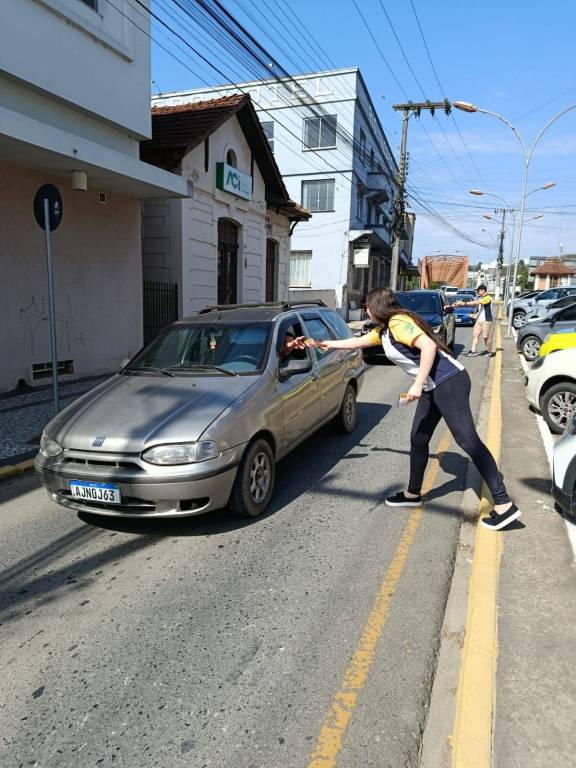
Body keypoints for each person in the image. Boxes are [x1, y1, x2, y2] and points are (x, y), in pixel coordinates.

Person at [311, 287, 521, 531]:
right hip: (433, 387)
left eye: (367, 306)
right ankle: (413, 494)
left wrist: (418, 384)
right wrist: (325, 344)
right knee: (418, 439)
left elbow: (428, 346)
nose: (365, 310)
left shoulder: (398, 322)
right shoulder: (384, 330)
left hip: (449, 382)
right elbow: (357, 342)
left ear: (377, 306)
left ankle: (504, 504)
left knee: (468, 441)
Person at [454, 285, 494, 357]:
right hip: (479, 320)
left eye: (478, 291)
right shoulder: (482, 298)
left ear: (482, 290)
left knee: (486, 337)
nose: (478, 292)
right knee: (475, 335)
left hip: (486, 321)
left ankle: (489, 351)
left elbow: (477, 302)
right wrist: (474, 315)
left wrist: (464, 303)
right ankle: (473, 351)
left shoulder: (488, 298)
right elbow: (481, 310)